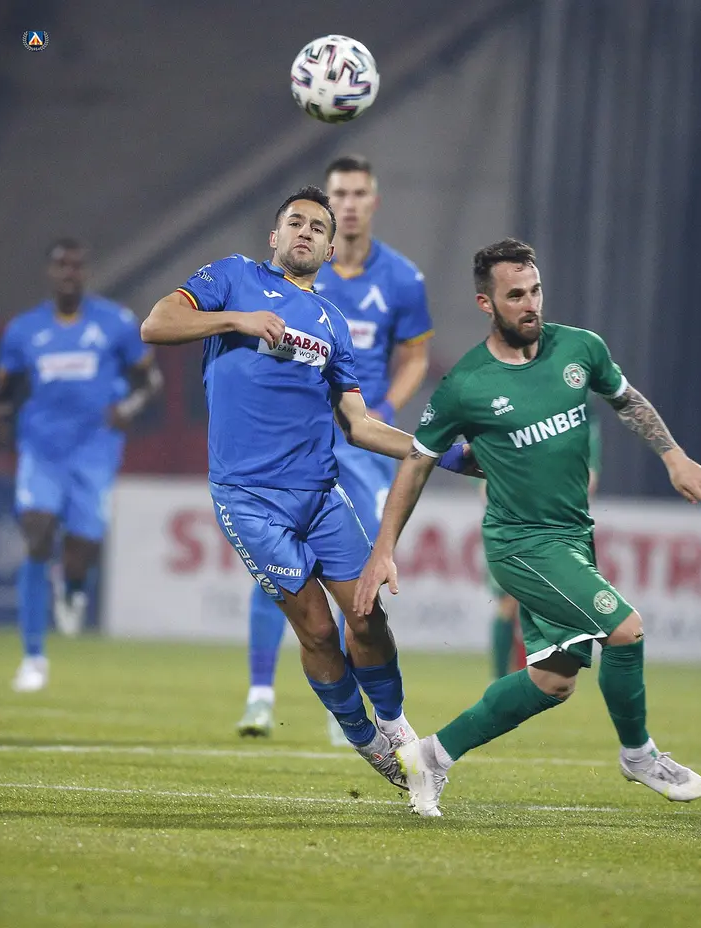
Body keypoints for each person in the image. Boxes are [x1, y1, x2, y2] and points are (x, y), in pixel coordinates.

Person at [354, 238, 701, 816]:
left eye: (535, 291)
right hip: (522, 545)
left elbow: (627, 400)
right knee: (625, 630)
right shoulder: (466, 385)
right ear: (486, 303)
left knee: (553, 681)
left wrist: (674, 456)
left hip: (573, 536)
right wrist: (384, 549)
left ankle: (431, 756)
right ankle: (640, 756)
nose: (530, 304)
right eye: (515, 296)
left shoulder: (580, 348)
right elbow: (416, 463)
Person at [140, 186, 472, 790]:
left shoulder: (332, 324)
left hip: (320, 494)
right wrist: (236, 319)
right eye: (295, 222)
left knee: (367, 616)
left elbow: (359, 425)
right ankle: (366, 739)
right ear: (275, 236)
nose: (305, 232)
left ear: (328, 251)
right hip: (248, 499)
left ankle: (396, 725)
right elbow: (156, 324)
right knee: (317, 630)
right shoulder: (232, 278)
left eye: (318, 228)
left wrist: (444, 454)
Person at [239, 155, 434, 744]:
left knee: (358, 576)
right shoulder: (297, 273)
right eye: (338, 194)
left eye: (357, 194)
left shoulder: (402, 279)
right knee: (279, 566)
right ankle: (259, 694)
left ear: (373, 202)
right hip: (298, 436)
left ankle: (345, 704)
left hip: (361, 436)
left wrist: (387, 408)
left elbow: (416, 356)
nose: (347, 204)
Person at [0, 238, 163, 692]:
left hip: (95, 449)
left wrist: (128, 408)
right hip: (41, 449)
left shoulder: (116, 323)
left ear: (85, 273)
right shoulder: (23, 330)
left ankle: (71, 587)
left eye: (76, 265)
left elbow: (151, 381)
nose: (68, 273)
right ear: (50, 273)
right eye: (61, 265)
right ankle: (33, 658)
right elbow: (4, 391)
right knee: (37, 534)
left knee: (82, 547)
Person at [487, 409, 601, 679]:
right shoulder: (508, 417)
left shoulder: (580, 420)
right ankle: (501, 678)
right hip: (513, 525)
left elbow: (589, 478)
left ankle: (536, 675)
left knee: (547, 604)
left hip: (557, 526)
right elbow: (485, 481)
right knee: (509, 602)